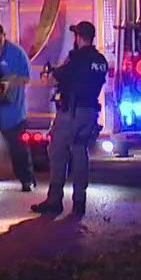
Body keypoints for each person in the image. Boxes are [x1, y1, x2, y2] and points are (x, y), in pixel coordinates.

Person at [33, 20, 109, 216]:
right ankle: (79, 202)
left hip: (71, 113)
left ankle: (54, 201)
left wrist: (46, 76)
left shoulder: (76, 59)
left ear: (79, 37)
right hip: (90, 112)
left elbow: (52, 80)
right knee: (80, 152)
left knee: (57, 152)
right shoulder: (100, 61)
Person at [0, 22, 36, 191]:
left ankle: (27, 180)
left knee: (18, 149)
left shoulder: (16, 54)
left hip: (12, 112)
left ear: (4, 36)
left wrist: (9, 81)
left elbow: (26, 79)